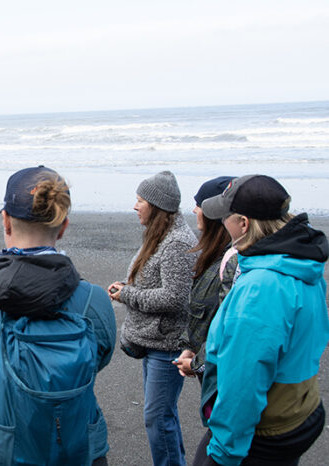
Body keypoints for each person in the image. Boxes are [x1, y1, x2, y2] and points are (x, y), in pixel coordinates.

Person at [0, 166, 117, 466]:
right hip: (79, 448)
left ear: (5, 221)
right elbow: (97, 363)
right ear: (64, 225)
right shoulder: (94, 301)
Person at [192, 175, 329, 466]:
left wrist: (225, 453)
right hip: (302, 408)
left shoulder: (261, 287)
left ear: (243, 223)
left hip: (268, 427)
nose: (222, 225)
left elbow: (244, 380)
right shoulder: (301, 261)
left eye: (225, 218)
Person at [107, 170, 196, 466]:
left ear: (157, 207)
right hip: (153, 342)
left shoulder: (177, 243)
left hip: (168, 344)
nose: (135, 206)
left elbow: (174, 298)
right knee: (161, 416)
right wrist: (125, 286)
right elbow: (150, 280)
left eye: (140, 200)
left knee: (157, 418)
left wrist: (128, 295)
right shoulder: (159, 236)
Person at [174, 176, 237, 382]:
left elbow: (228, 327)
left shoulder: (232, 263)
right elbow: (201, 317)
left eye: (199, 205)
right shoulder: (212, 257)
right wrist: (190, 349)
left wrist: (198, 362)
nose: (194, 210)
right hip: (210, 369)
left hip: (224, 376)